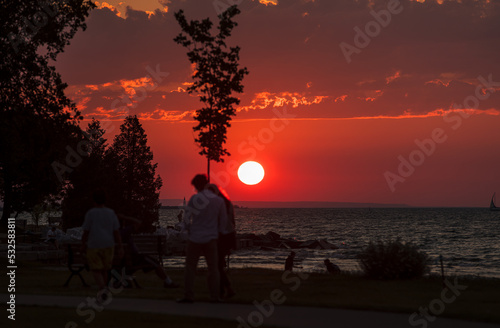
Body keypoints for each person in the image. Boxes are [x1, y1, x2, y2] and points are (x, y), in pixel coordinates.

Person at [177, 174, 229, 303]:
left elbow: (186, 219)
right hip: (211, 238)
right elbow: (223, 221)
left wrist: (189, 230)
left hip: (195, 238)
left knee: (190, 267)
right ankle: (215, 296)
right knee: (213, 269)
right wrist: (219, 233)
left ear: (196, 185)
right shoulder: (218, 200)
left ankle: (188, 295)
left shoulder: (194, 199)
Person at [118, 214, 179, 288]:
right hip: (136, 258)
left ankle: (126, 282)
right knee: (156, 263)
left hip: (124, 260)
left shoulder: (114, 233)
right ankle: (168, 282)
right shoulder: (125, 231)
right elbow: (138, 222)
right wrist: (125, 217)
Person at [81, 189, 123, 292]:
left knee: (96, 269)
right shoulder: (111, 213)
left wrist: (82, 244)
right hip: (108, 244)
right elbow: (116, 232)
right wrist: (120, 246)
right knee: (105, 269)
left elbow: (86, 231)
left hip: (94, 244)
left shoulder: (91, 213)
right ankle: (104, 287)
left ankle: (102, 287)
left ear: (93, 200)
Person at [207, 183, 236, 299]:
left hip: (221, 236)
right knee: (218, 264)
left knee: (217, 265)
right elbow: (233, 222)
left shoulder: (217, 205)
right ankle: (223, 290)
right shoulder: (228, 203)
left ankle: (226, 289)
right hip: (229, 236)